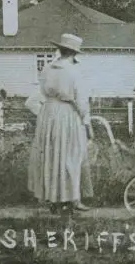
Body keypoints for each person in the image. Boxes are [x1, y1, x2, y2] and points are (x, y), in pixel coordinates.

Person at [27, 33, 93, 213]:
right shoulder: (74, 72)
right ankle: (72, 199)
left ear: (60, 49)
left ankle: (53, 199)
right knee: (71, 156)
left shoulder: (47, 68)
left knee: (50, 157)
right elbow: (81, 101)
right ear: (74, 53)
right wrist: (86, 122)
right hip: (67, 114)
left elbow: (41, 92)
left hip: (47, 114)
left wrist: (45, 112)